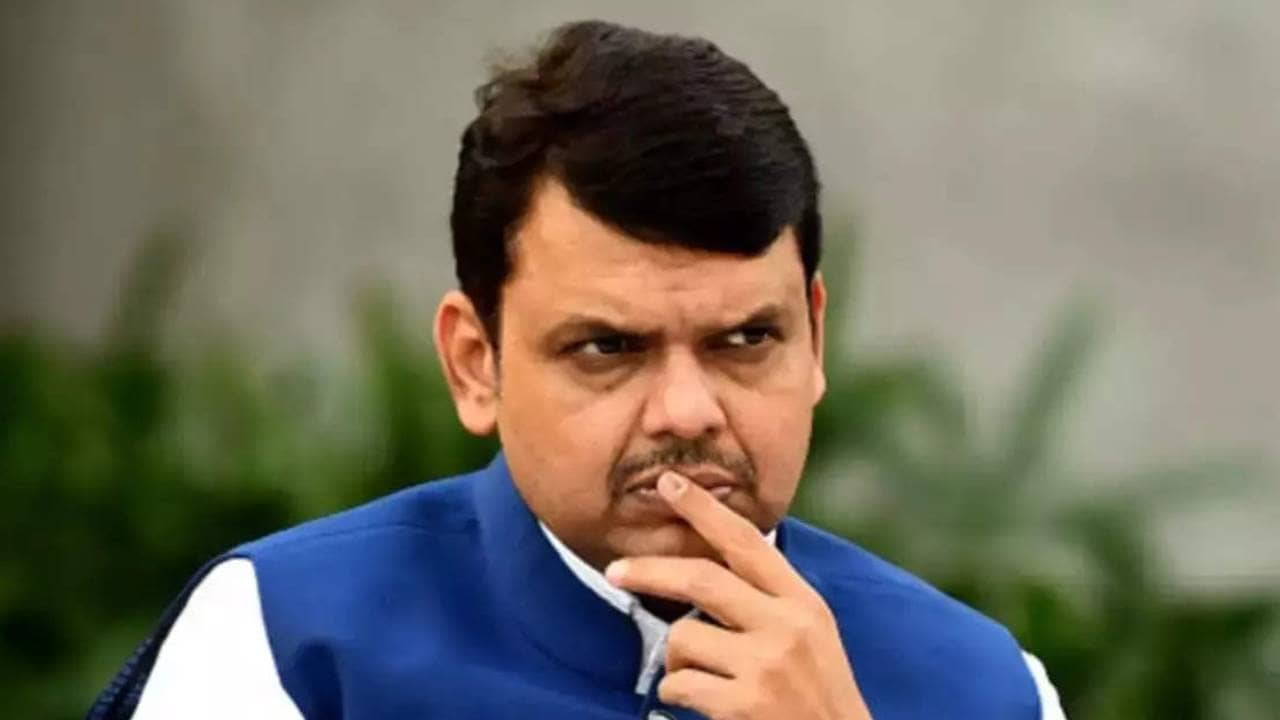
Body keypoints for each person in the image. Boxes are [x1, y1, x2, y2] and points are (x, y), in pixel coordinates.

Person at [89, 20, 1066, 720]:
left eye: (743, 340)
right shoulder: (290, 643)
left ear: (812, 339)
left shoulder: (986, 688)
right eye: (608, 348)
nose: (687, 411)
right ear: (475, 364)